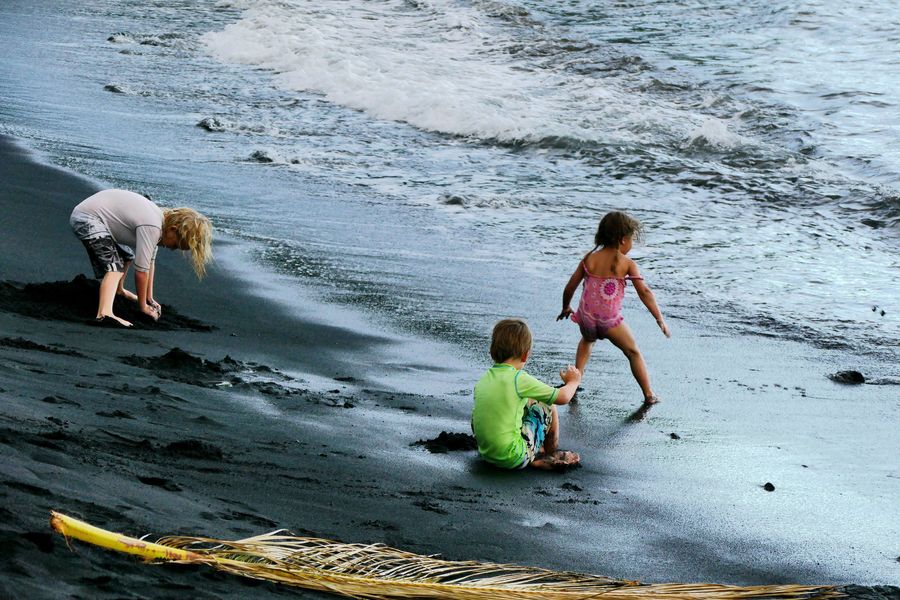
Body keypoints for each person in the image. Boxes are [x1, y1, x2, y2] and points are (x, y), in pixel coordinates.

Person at [557, 211, 670, 404]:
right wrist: (659, 319)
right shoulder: (627, 263)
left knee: (587, 340)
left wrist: (566, 307)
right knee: (633, 352)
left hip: (586, 318)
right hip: (609, 320)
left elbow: (570, 287)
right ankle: (648, 394)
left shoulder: (589, 259)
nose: (632, 244)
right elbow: (645, 292)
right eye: (632, 239)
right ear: (623, 240)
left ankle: (574, 383)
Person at [69, 189, 212, 327]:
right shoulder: (153, 227)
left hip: (99, 219)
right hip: (86, 219)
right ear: (172, 229)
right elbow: (141, 272)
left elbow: (149, 263)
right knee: (115, 267)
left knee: (126, 256)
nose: (172, 249)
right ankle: (104, 314)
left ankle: (119, 290)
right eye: (175, 245)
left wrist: (149, 298)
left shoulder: (160, 226)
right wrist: (143, 306)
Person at [472, 318, 581, 471]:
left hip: (486, 454)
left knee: (516, 403)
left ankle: (529, 451)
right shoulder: (519, 378)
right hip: (513, 456)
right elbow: (563, 397)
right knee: (547, 405)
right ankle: (548, 453)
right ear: (525, 355)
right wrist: (573, 382)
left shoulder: (483, 380)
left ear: (492, 351)